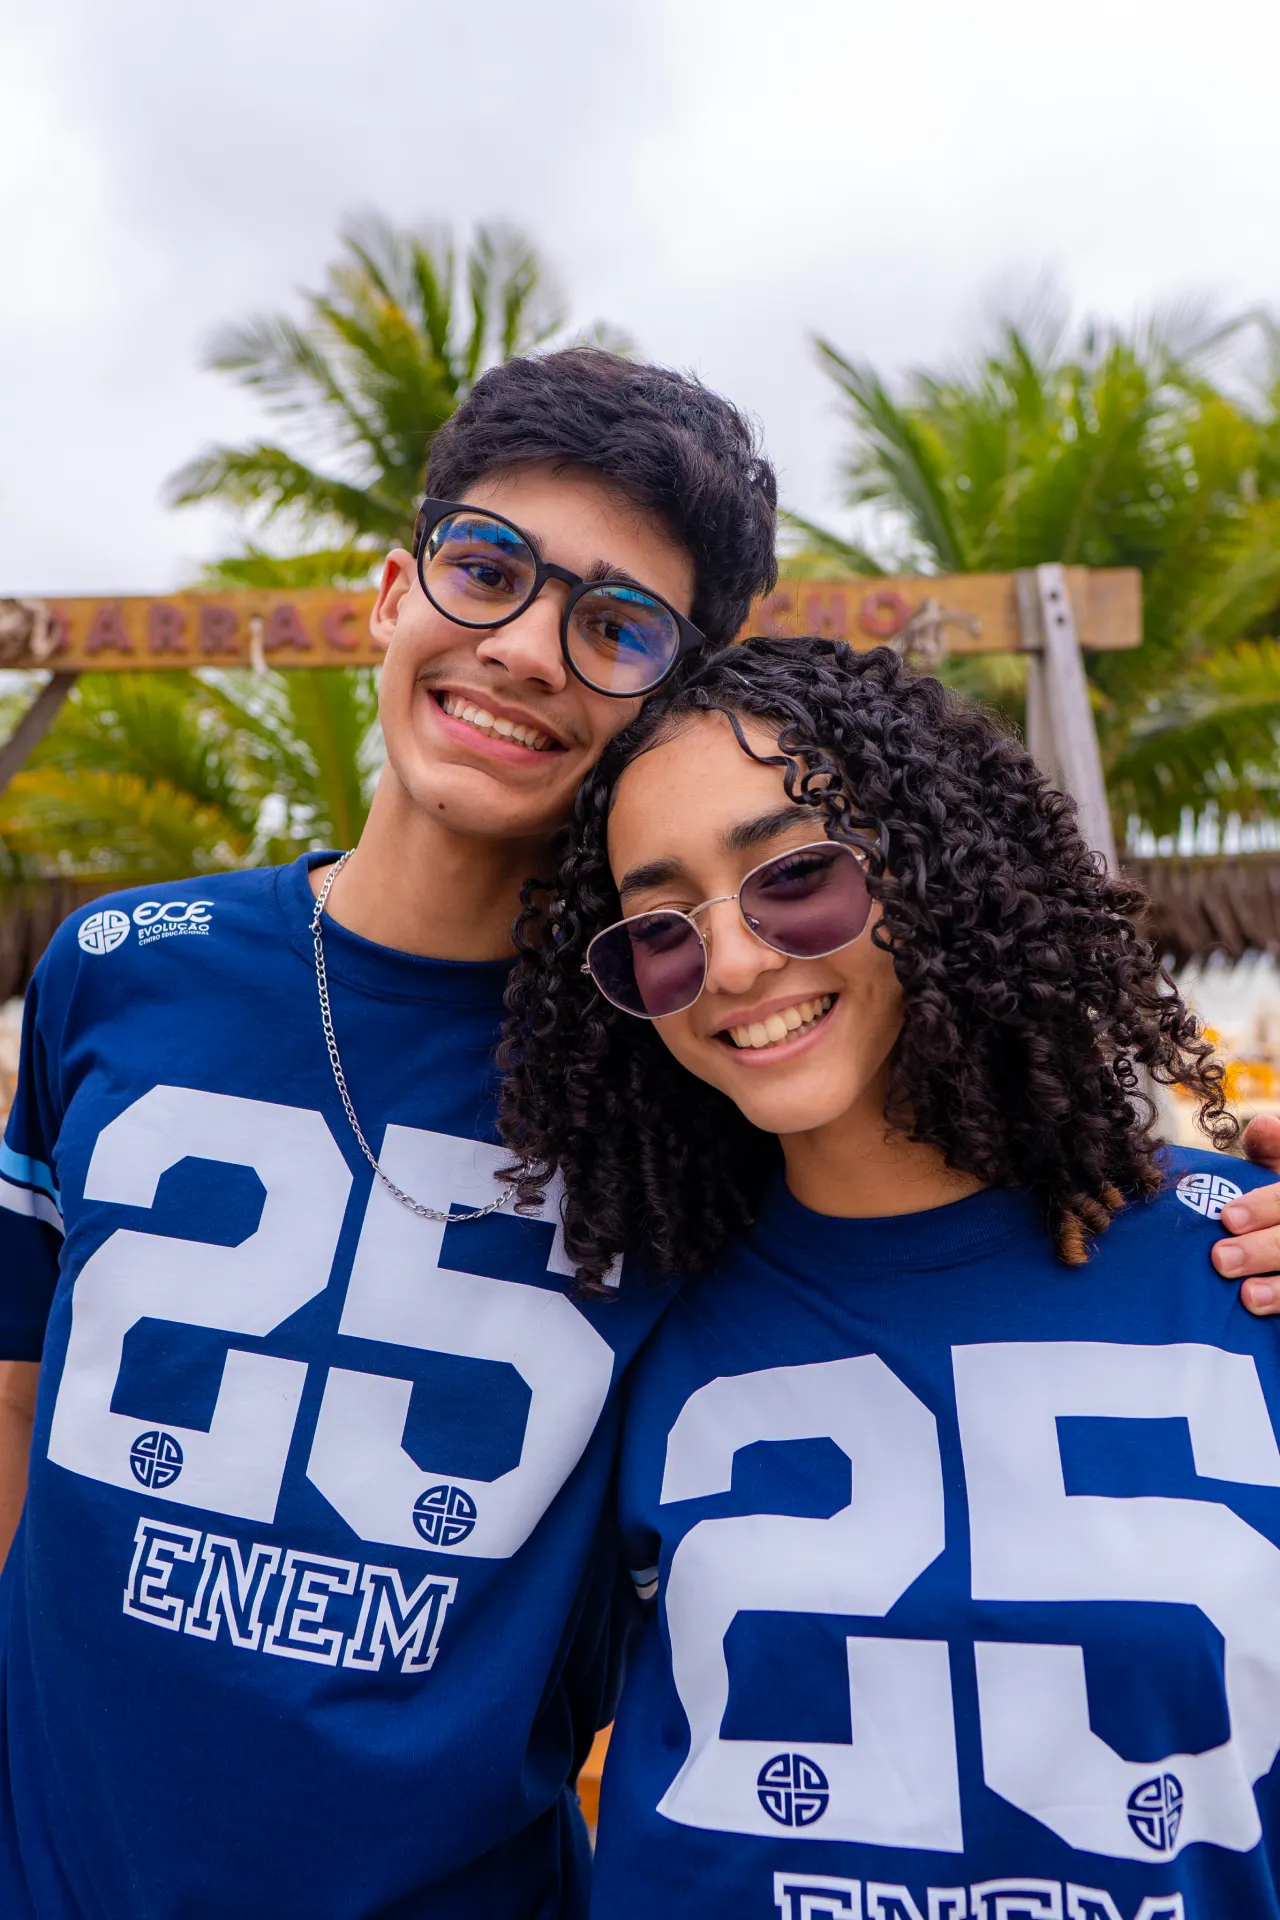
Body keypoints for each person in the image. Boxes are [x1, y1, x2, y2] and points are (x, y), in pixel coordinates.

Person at [0, 348, 779, 1920]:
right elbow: (16, 1394)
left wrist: (1231, 1231)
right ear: (390, 593)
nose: (526, 651)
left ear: (666, 705)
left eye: (616, 626)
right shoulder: (118, 968)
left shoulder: (694, 1077)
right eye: (486, 569)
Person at [499, 635, 1280, 1920]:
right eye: (659, 926)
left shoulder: (1236, 1267)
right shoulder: (621, 1311)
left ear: (934, 866)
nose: (731, 966)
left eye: (794, 876)